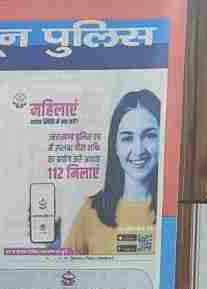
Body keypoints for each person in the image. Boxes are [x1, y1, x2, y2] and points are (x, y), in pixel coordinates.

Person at [66, 89, 161, 255]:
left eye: (149, 136)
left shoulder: (170, 213)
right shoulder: (90, 211)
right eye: (127, 138)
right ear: (115, 146)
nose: (138, 150)